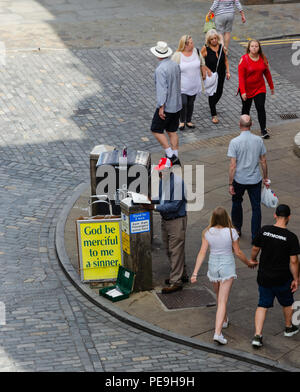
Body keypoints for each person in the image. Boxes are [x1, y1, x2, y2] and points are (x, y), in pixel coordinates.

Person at [191, 207, 257, 345]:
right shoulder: (232, 232)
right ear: (226, 217)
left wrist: (195, 272)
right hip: (227, 266)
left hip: (213, 266)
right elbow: (238, 252)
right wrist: (248, 263)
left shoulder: (207, 232)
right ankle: (218, 333)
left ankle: (225, 320)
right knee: (222, 301)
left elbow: (202, 253)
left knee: (219, 296)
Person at [250, 204, 300, 348]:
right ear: (289, 217)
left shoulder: (265, 230)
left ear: (275, 215)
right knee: (287, 302)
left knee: (262, 304)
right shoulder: (291, 237)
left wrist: (253, 259)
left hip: (264, 276)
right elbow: (294, 260)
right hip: (282, 278)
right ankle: (289, 327)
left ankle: (257, 336)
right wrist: (296, 279)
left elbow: (255, 248)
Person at [144, 157, 188, 294]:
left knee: (175, 251)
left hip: (176, 220)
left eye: (161, 171)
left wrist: (154, 206)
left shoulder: (178, 183)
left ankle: (176, 281)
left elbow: (174, 206)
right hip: (166, 220)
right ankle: (181, 274)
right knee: (170, 249)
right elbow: (163, 197)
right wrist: (151, 199)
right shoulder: (165, 180)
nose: (159, 173)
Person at [228, 114, 270, 240]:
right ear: (251, 125)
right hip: (255, 179)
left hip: (239, 179)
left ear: (239, 125)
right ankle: (255, 235)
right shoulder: (258, 140)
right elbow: (263, 161)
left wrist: (230, 183)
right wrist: (265, 177)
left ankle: (237, 228)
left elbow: (232, 166)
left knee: (236, 203)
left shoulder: (234, 142)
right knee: (256, 208)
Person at [150, 41, 182, 165]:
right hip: (177, 104)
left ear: (158, 54)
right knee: (172, 131)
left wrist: (161, 107)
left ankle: (170, 155)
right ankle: (175, 156)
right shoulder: (174, 65)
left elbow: (162, 90)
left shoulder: (160, 70)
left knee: (156, 129)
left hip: (167, 106)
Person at [238, 39, 275, 139]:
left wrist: (271, 86)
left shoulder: (263, 58)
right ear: (249, 48)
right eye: (252, 46)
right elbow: (241, 77)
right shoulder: (244, 59)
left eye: (256, 46)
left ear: (259, 48)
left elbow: (267, 73)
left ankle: (263, 130)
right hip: (246, 89)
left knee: (260, 107)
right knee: (246, 109)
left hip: (259, 88)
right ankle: (244, 130)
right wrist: (243, 91)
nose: (254, 48)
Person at [171, 35, 207, 131]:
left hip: (194, 84)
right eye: (191, 42)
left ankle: (188, 120)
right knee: (183, 102)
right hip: (182, 86)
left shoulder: (196, 51)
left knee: (191, 103)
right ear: (185, 45)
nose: (193, 44)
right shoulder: (178, 55)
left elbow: (202, 63)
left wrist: (204, 73)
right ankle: (182, 121)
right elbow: (171, 68)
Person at [201, 29, 230, 124]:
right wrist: (205, 70)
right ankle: (214, 114)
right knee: (212, 93)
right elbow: (200, 62)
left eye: (215, 38)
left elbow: (225, 60)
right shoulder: (205, 49)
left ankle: (212, 105)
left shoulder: (221, 47)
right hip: (211, 75)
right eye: (212, 39)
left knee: (219, 92)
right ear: (208, 40)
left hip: (221, 74)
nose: (214, 40)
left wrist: (228, 72)